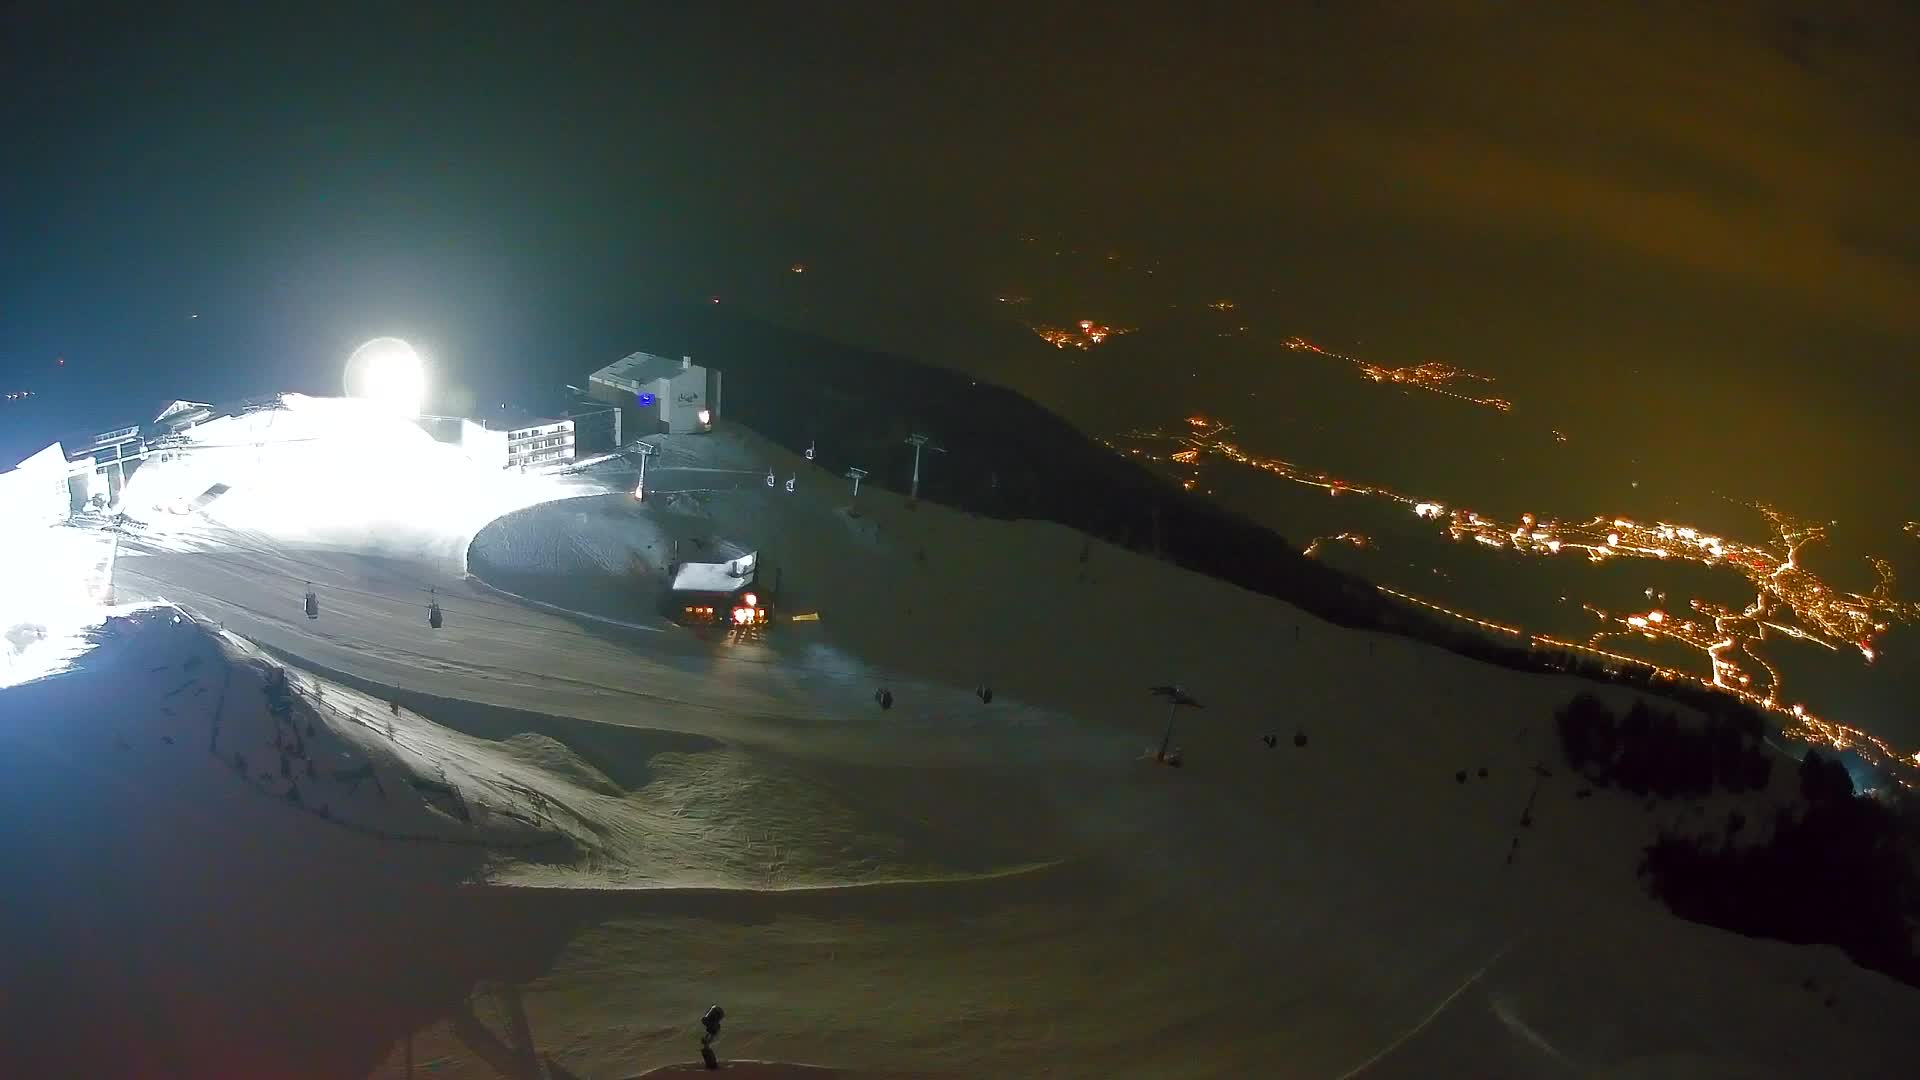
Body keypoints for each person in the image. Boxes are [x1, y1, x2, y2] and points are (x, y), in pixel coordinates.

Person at [699, 1004, 725, 1070]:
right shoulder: (715, 1021)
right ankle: (712, 1064)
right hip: (713, 1029)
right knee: (707, 1046)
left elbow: (704, 1020)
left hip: (713, 1029)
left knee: (706, 1046)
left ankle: (712, 1065)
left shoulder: (711, 1021)